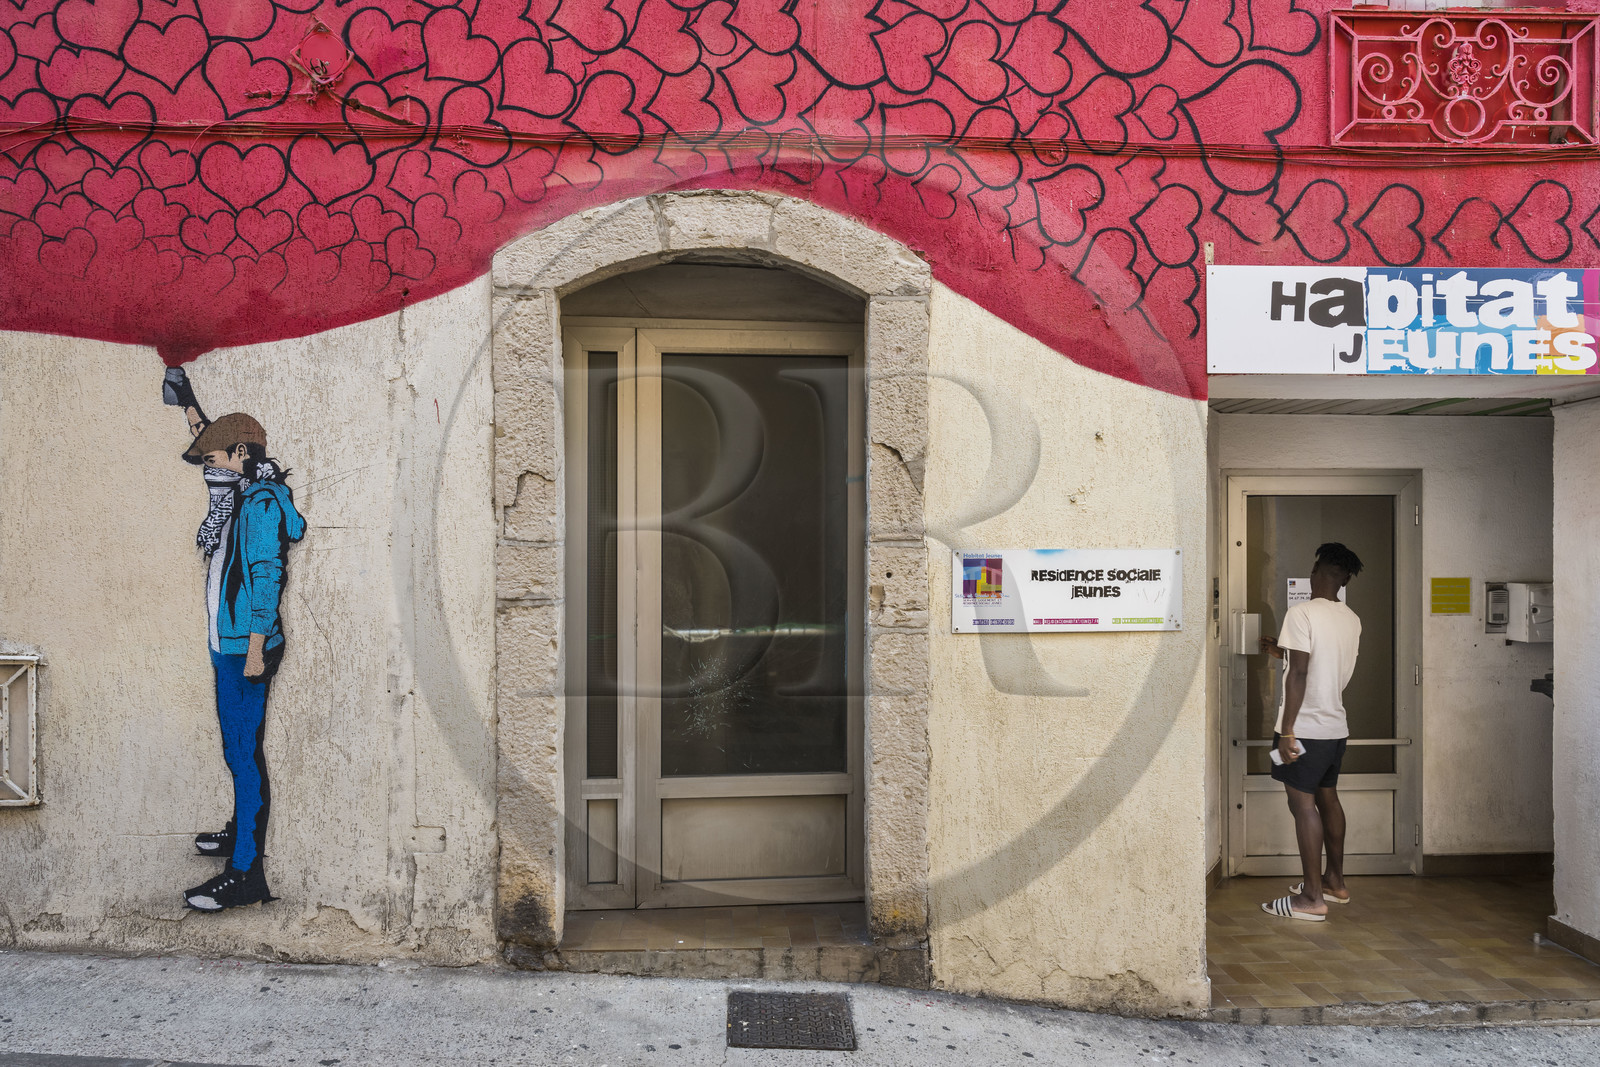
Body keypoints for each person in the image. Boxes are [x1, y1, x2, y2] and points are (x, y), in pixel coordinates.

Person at [165, 369, 305, 911]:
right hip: (226, 640)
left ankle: (245, 873)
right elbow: (208, 435)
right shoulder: (240, 494)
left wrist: (250, 651)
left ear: (240, 452)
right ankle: (239, 831)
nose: (209, 465)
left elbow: (267, 577)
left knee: (243, 755)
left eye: (215, 458)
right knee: (237, 752)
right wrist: (187, 399)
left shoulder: (263, 504)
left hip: (244, 647)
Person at [1258, 542, 1364, 922]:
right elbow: (1317, 664)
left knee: (1301, 804)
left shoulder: (1301, 612)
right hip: (1334, 728)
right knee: (1327, 798)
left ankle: (1311, 898)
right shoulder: (1350, 618)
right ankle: (1335, 882)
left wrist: (1287, 732)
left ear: (1318, 572)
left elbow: (1302, 673)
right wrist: (1281, 654)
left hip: (1303, 729)